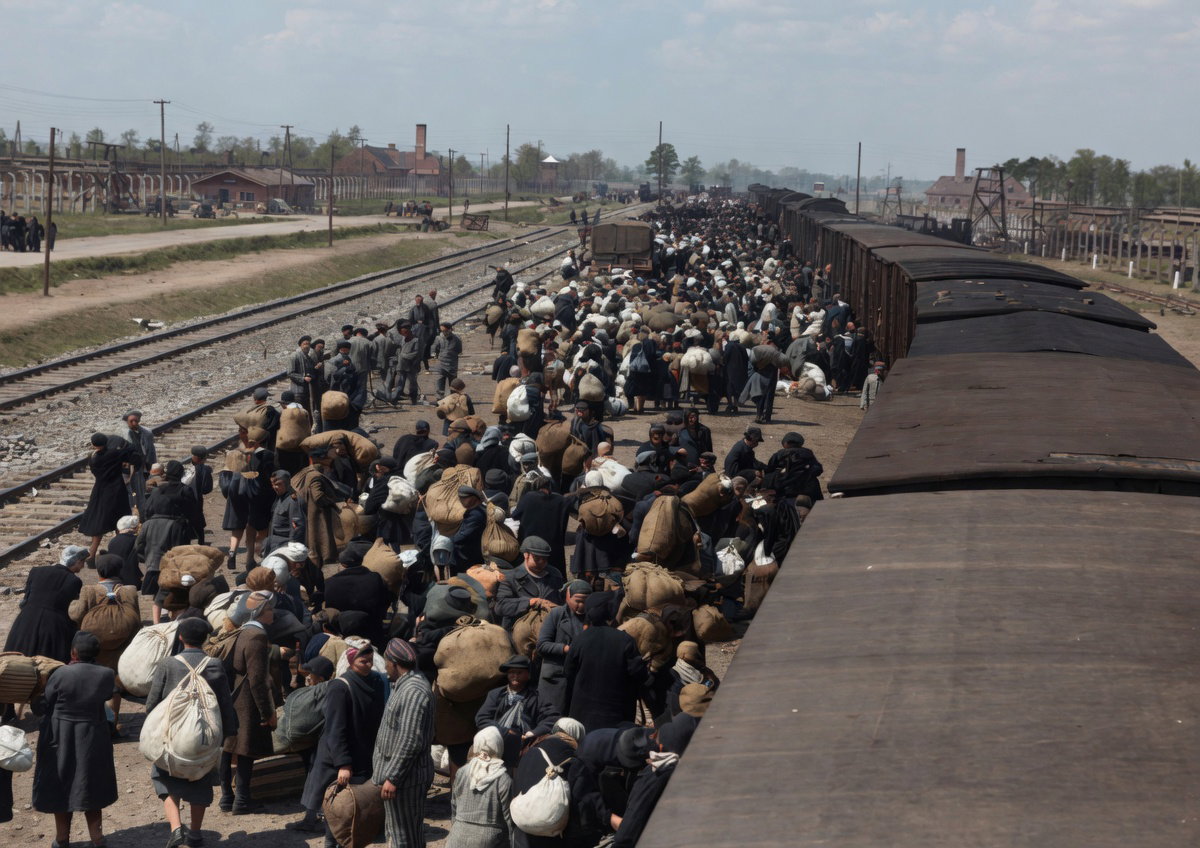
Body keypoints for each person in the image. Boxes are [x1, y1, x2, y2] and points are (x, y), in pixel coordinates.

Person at [144, 617, 238, 848]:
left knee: (165, 776)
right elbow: (225, 702)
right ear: (206, 638)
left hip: (172, 735)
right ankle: (195, 834)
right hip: (206, 736)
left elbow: (151, 703)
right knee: (200, 779)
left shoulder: (168, 664)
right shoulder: (214, 664)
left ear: (181, 637)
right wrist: (230, 732)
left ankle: (176, 828)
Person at [32, 632, 119, 848]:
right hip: (93, 736)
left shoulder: (61, 674)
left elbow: (44, 704)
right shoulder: (107, 674)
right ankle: (97, 839)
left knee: (61, 784)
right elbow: (109, 695)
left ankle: (62, 839)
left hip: (60, 735)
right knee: (92, 786)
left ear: (73, 652)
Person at [299, 640, 388, 848]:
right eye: (362, 661)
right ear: (350, 662)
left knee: (357, 809)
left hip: (363, 755)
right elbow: (335, 729)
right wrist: (343, 763)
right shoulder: (340, 687)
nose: (367, 664)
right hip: (339, 759)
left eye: (369, 661)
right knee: (338, 809)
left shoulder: (375, 682)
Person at [217, 591, 277, 814]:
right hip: (248, 702)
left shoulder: (242, 631)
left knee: (229, 746)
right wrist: (267, 712)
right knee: (245, 750)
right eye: (269, 609)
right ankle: (241, 799)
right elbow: (258, 680)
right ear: (260, 613)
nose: (273, 612)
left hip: (233, 697)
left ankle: (226, 797)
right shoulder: (256, 637)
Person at [372, 638, 435, 848]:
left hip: (407, 779)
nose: (385, 666)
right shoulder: (404, 685)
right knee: (400, 832)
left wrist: (393, 777)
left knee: (404, 836)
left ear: (394, 663)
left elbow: (410, 740)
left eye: (386, 661)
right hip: (401, 778)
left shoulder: (413, 691)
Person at [68, 553, 140, 733]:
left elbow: (76, 615)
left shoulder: (89, 591)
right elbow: (136, 619)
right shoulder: (129, 590)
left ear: (99, 571)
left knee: (91, 680)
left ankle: (93, 720)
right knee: (114, 683)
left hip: (94, 647)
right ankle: (113, 724)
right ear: (119, 571)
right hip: (120, 646)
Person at [564, 594, 649, 731]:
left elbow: (568, 672)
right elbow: (639, 674)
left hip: (582, 713)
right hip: (616, 713)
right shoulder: (625, 640)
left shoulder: (580, 639)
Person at [4, 544, 86, 662]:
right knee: (48, 662)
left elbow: (25, 600)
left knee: (17, 658)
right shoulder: (74, 581)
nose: (83, 566)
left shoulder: (36, 571)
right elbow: (70, 609)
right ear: (77, 561)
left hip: (27, 619)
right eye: (82, 562)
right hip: (54, 625)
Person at [475, 655, 560, 765]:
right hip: (496, 741)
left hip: (524, 743)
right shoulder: (496, 694)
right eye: (512, 673)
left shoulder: (537, 696)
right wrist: (505, 732)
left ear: (528, 675)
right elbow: (481, 719)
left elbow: (552, 717)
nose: (515, 676)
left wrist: (533, 732)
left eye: (519, 672)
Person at [445, 726, 514, 848]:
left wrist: (457, 828)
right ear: (498, 746)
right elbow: (509, 820)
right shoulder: (502, 778)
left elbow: (454, 806)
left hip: (456, 836)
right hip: (489, 840)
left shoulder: (462, 772)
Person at [78, 432, 143, 562]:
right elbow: (131, 451)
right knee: (120, 521)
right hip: (117, 490)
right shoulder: (114, 454)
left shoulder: (92, 457)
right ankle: (121, 551)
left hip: (100, 490)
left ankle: (91, 555)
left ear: (93, 444)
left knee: (99, 522)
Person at [535, 580, 590, 713]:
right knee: (552, 720)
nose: (581, 605)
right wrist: (567, 649)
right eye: (577, 600)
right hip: (556, 678)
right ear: (568, 597)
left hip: (582, 679)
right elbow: (542, 645)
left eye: (586, 601)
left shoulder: (593, 617)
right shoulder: (557, 615)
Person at [494, 536, 565, 630]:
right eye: (537, 558)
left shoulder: (555, 574)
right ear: (526, 555)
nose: (541, 562)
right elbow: (501, 606)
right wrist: (530, 602)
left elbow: (563, 599)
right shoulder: (510, 577)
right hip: (519, 629)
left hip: (551, 626)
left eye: (545, 559)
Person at [512, 475, 571, 572]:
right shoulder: (562, 501)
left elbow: (515, 515)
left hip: (530, 544)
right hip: (554, 547)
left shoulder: (528, 497)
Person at [124, 410, 158, 514]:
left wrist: (150, 467)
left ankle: (141, 514)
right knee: (128, 492)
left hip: (140, 467)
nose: (134, 423)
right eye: (131, 421)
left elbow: (150, 451)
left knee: (140, 492)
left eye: (136, 421)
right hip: (126, 468)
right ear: (127, 421)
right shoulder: (123, 434)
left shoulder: (146, 433)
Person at [431, 322, 464, 397]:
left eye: (445, 331)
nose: (444, 333)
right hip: (441, 364)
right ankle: (440, 399)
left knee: (453, 383)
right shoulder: (438, 338)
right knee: (440, 381)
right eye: (442, 331)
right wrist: (433, 353)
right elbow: (434, 346)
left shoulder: (457, 339)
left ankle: (453, 399)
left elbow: (459, 350)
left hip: (452, 364)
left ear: (450, 330)